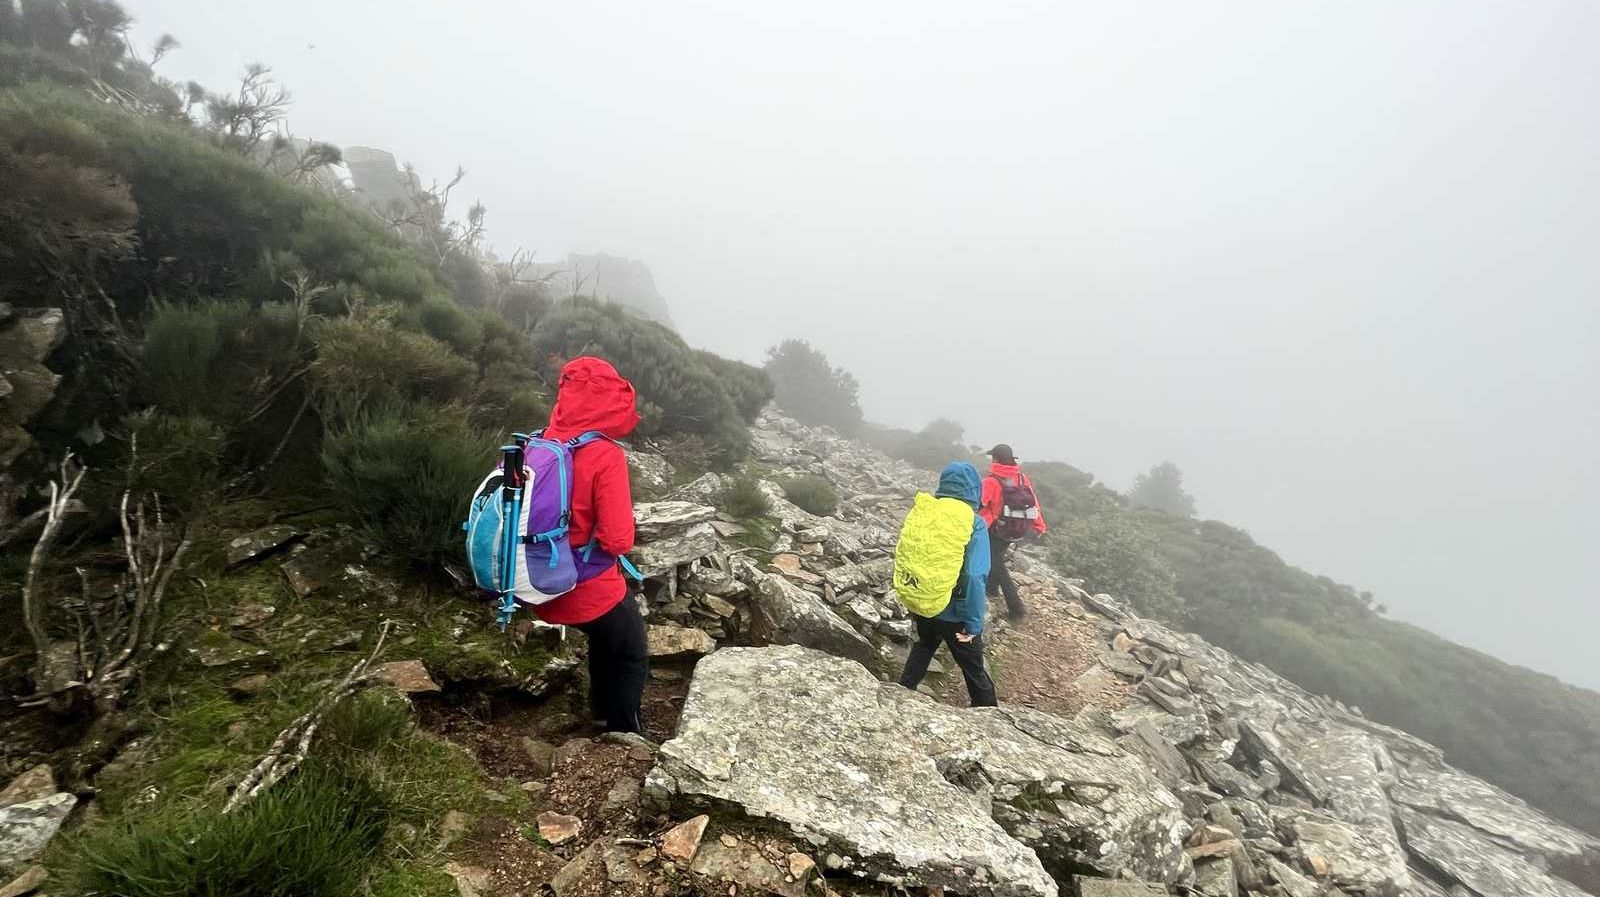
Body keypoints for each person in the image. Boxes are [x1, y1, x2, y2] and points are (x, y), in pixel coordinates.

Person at [530, 356, 648, 734]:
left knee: (605, 634)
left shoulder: (537, 441)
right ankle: (625, 732)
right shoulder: (604, 454)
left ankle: (600, 712)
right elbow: (617, 540)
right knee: (630, 644)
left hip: (529, 580)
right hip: (581, 586)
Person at [897, 461, 998, 707]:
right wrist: (974, 623)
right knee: (973, 669)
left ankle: (900, 695)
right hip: (956, 613)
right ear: (974, 489)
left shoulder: (926, 510)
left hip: (924, 599)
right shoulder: (973, 522)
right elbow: (974, 576)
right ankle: (992, 721)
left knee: (924, 645)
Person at [979, 443, 1047, 620]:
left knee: (997, 565)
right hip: (1015, 530)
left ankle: (1016, 609)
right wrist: (1039, 526)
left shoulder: (991, 481)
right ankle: (991, 590)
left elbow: (980, 502)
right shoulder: (1022, 479)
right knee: (996, 559)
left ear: (995, 459)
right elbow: (1034, 505)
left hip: (994, 529)